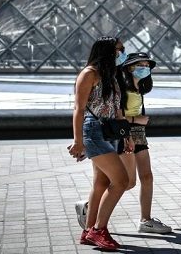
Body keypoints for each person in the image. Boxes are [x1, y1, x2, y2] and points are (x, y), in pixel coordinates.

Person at [68, 36, 131, 251]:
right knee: (121, 181)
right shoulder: (89, 74)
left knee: (101, 184)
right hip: (94, 131)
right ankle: (99, 230)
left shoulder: (112, 75)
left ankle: (87, 231)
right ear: (106, 51)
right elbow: (78, 109)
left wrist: (126, 135)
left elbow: (118, 109)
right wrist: (78, 141)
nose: (122, 53)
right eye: (118, 50)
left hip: (111, 131)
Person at [117, 52, 172, 234]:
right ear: (129, 67)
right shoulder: (121, 87)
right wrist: (136, 120)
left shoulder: (139, 86)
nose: (145, 68)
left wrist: (137, 123)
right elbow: (115, 116)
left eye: (147, 65)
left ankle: (146, 220)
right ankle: (90, 205)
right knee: (129, 181)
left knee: (147, 177)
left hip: (138, 133)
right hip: (125, 134)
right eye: (140, 65)